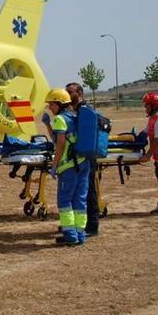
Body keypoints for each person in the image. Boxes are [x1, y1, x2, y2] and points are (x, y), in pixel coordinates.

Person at [47, 88, 90, 246]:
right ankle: (80, 234)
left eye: (51, 104)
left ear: (59, 104)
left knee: (65, 201)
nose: (50, 108)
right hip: (83, 164)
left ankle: (70, 235)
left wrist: (54, 165)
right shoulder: (75, 116)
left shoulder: (60, 119)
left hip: (69, 167)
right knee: (80, 201)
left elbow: (60, 143)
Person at [65, 82, 101, 237]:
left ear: (79, 93)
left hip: (87, 157)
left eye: (70, 92)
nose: (67, 95)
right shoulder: (76, 111)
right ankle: (79, 225)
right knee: (79, 192)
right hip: (80, 157)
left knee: (89, 192)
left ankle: (92, 226)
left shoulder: (85, 111)